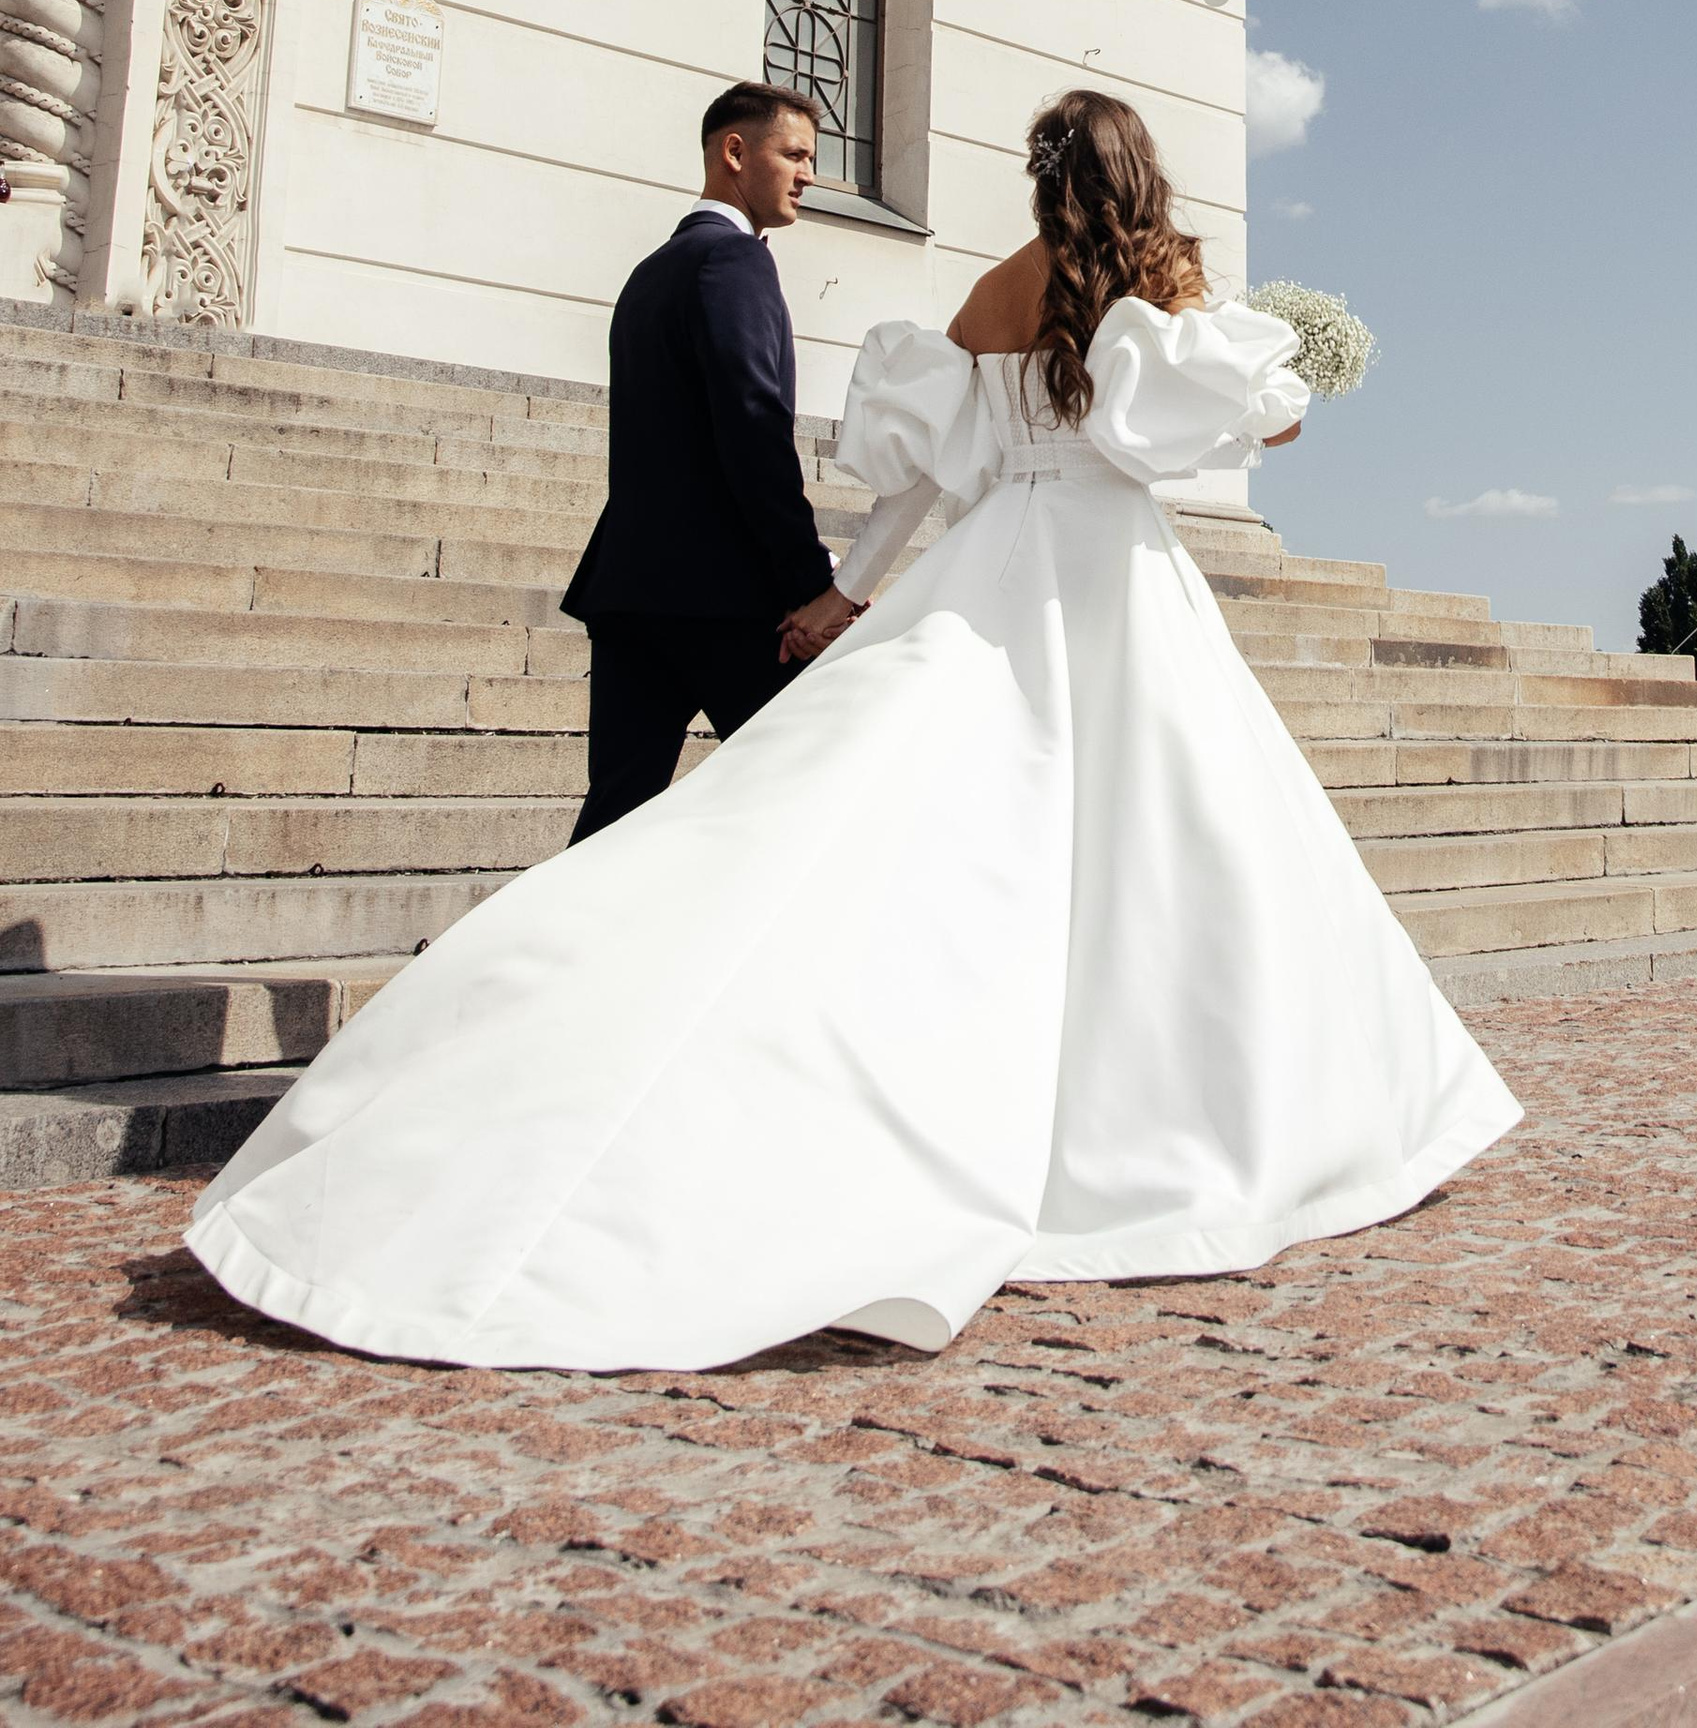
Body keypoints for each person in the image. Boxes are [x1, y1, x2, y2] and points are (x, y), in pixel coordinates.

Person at [186, 87, 1520, 1369]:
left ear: (1045, 180)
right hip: (1114, 578)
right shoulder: (1157, 280)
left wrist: (845, 593)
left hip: (994, 562)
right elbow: (1251, 423)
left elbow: (929, 473)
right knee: (1181, 844)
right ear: (1137, 178)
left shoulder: (995, 292)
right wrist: (1280, 373)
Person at [558, 82, 853, 843]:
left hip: (631, 592)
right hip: (727, 602)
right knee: (806, 797)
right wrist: (812, 586)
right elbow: (753, 433)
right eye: (794, 154)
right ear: (734, 153)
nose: (808, 174)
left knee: (614, 816)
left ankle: (547, 959)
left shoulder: (650, 273)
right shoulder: (734, 264)